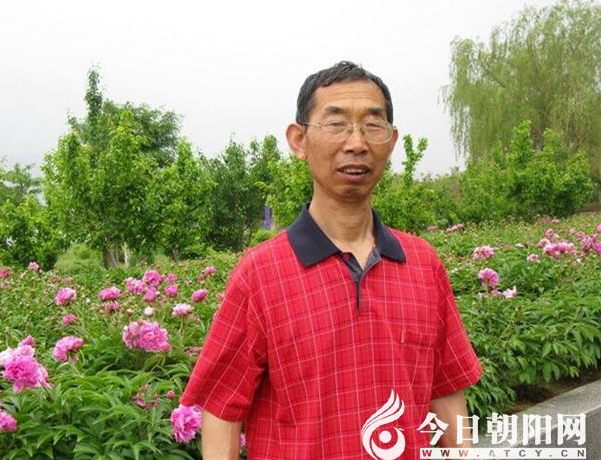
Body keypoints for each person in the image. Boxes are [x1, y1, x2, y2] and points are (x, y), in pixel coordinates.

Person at [180, 61, 482, 459]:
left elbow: (445, 392)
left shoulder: (423, 265)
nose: (356, 143)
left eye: (372, 125)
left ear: (391, 141)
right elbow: (222, 411)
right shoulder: (261, 274)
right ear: (299, 140)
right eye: (336, 124)